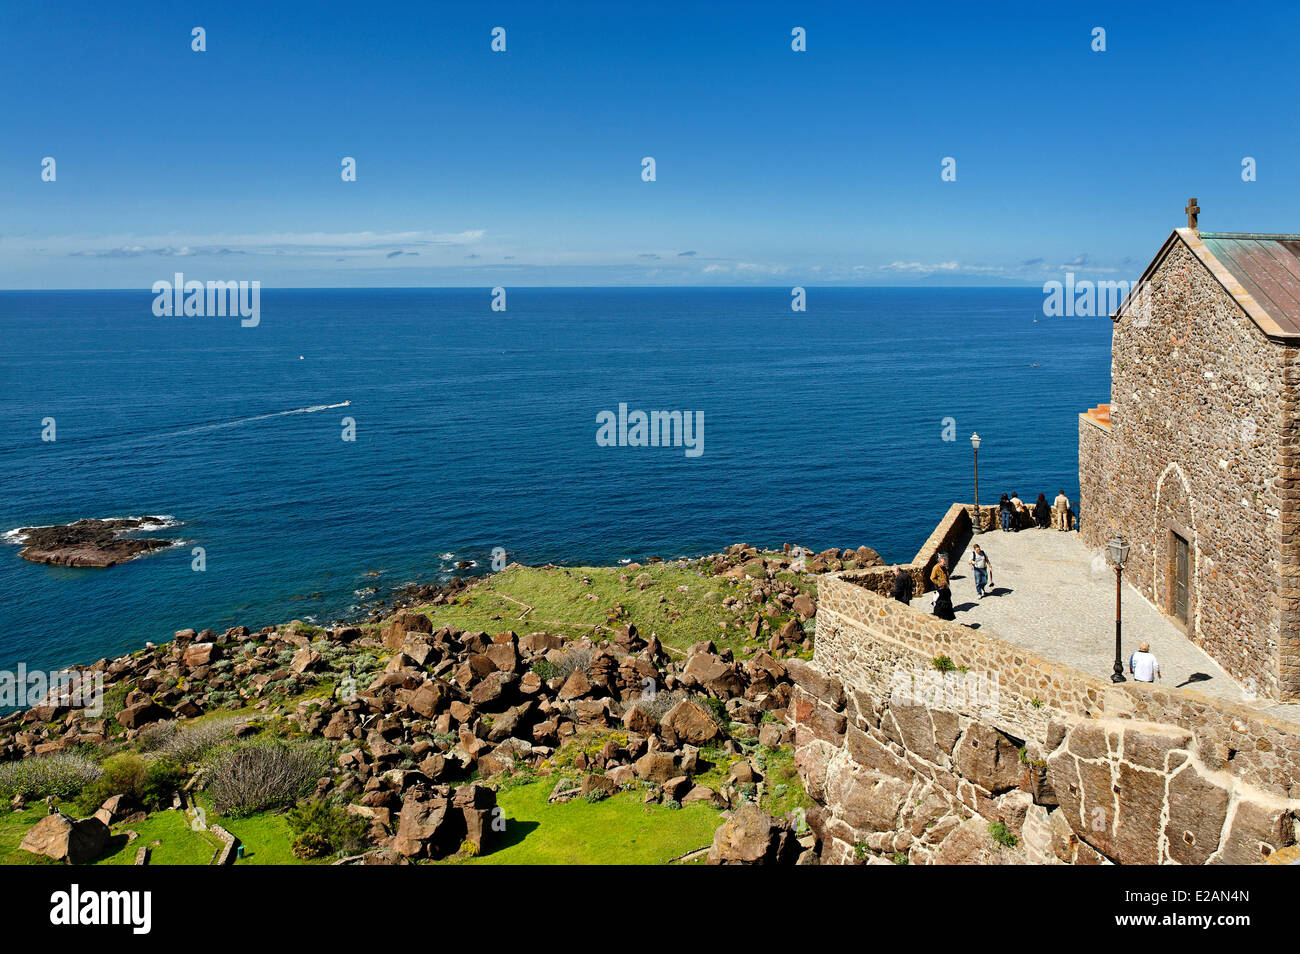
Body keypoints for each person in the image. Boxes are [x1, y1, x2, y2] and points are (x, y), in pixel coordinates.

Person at [930, 554, 955, 620]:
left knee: (947, 596)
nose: (945, 564)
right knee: (940, 598)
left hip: (945, 584)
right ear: (939, 562)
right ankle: (940, 610)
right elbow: (932, 578)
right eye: (943, 563)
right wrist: (938, 583)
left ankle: (948, 609)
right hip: (940, 585)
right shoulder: (935, 568)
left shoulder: (944, 567)